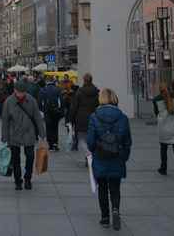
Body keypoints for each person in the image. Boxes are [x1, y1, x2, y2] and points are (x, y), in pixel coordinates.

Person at [87, 88, 132, 231]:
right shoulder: (123, 117)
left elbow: (90, 141)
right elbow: (127, 141)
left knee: (102, 188)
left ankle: (105, 217)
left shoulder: (94, 117)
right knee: (115, 187)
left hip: (100, 156)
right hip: (117, 156)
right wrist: (123, 157)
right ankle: (116, 209)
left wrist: (94, 151)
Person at [1, 80, 45, 190]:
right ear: (15, 90)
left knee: (30, 156)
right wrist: (4, 136)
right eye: (19, 92)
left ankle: (27, 179)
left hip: (28, 133)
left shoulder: (31, 100)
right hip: (14, 133)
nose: (21, 94)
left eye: (23, 92)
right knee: (15, 159)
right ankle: (17, 180)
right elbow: (5, 120)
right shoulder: (9, 101)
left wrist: (42, 134)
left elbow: (37, 118)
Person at [154, 82, 174, 181]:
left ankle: (163, 168)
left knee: (163, 149)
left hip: (163, 128)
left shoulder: (156, 99)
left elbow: (156, 113)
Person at [69, 73, 99, 163]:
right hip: (94, 117)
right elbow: (98, 105)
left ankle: (88, 154)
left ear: (84, 80)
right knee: (93, 138)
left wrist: (71, 119)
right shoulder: (96, 92)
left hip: (81, 118)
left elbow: (74, 107)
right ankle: (90, 155)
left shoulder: (80, 92)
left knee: (81, 138)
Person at [38, 77, 63, 151]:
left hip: (47, 111)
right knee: (55, 127)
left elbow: (40, 102)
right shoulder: (58, 89)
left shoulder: (43, 90)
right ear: (53, 82)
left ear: (47, 82)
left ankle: (50, 144)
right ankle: (55, 143)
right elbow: (61, 101)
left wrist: (41, 111)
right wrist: (61, 111)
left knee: (48, 127)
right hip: (56, 111)